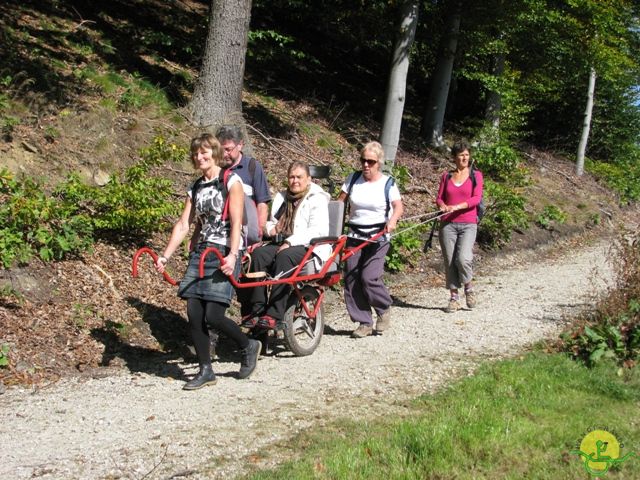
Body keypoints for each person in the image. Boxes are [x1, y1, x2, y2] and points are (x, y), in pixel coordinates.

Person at [155, 133, 260, 390]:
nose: (199, 157)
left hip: (223, 250)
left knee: (213, 315)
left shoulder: (230, 181)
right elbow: (183, 225)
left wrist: (233, 255)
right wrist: (165, 255)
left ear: (214, 153)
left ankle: (248, 346)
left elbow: (237, 222)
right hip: (201, 251)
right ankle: (206, 370)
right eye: (196, 154)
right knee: (194, 312)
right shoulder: (196, 187)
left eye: (204, 152)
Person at [243, 161, 331, 329]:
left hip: (309, 245)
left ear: (309, 179)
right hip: (282, 241)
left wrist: (290, 242)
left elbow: (317, 230)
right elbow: (272, 222)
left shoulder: (317, 199)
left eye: (299, 177)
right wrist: (271, 230)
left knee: (284, 257)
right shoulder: (282, 197)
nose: (295, 181)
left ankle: (274, 314)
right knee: (258, 255)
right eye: (291, 177)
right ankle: (257, 310)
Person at [337, 141, 403, 338]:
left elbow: (398, 207)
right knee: (351, 278)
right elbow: (339, 203)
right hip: (354, 236)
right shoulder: (353, 179)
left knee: (369, 277)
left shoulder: (388, 183)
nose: (366, 165)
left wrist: (392, 221)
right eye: (363, 160)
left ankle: (383, 308)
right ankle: (364, 321)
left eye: (370, 161)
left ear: (379, 163)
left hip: (378, 237)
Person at [215, 125, 272, 320]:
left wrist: (258, 235)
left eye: (229, 149)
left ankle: (256, 326)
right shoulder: (216, 169)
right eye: (221, 148)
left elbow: (262, 203)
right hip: (224, 237)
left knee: (251, 280)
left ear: (241, 145)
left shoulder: (252, 168)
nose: (225, 153)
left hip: (248, 237)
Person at [435, 140, 484, 313]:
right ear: (454, 157)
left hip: (468, 223)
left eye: (467, 154)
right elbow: (439, 198)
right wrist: (442, 206)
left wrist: (457, 206)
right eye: (461, 155)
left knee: (463, 258)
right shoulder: (446, 176)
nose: (464, 158)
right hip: (448, 223)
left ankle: (469, 288)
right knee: (449, 261)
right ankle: (454, 297)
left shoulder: (475, 175)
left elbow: (476, 199)